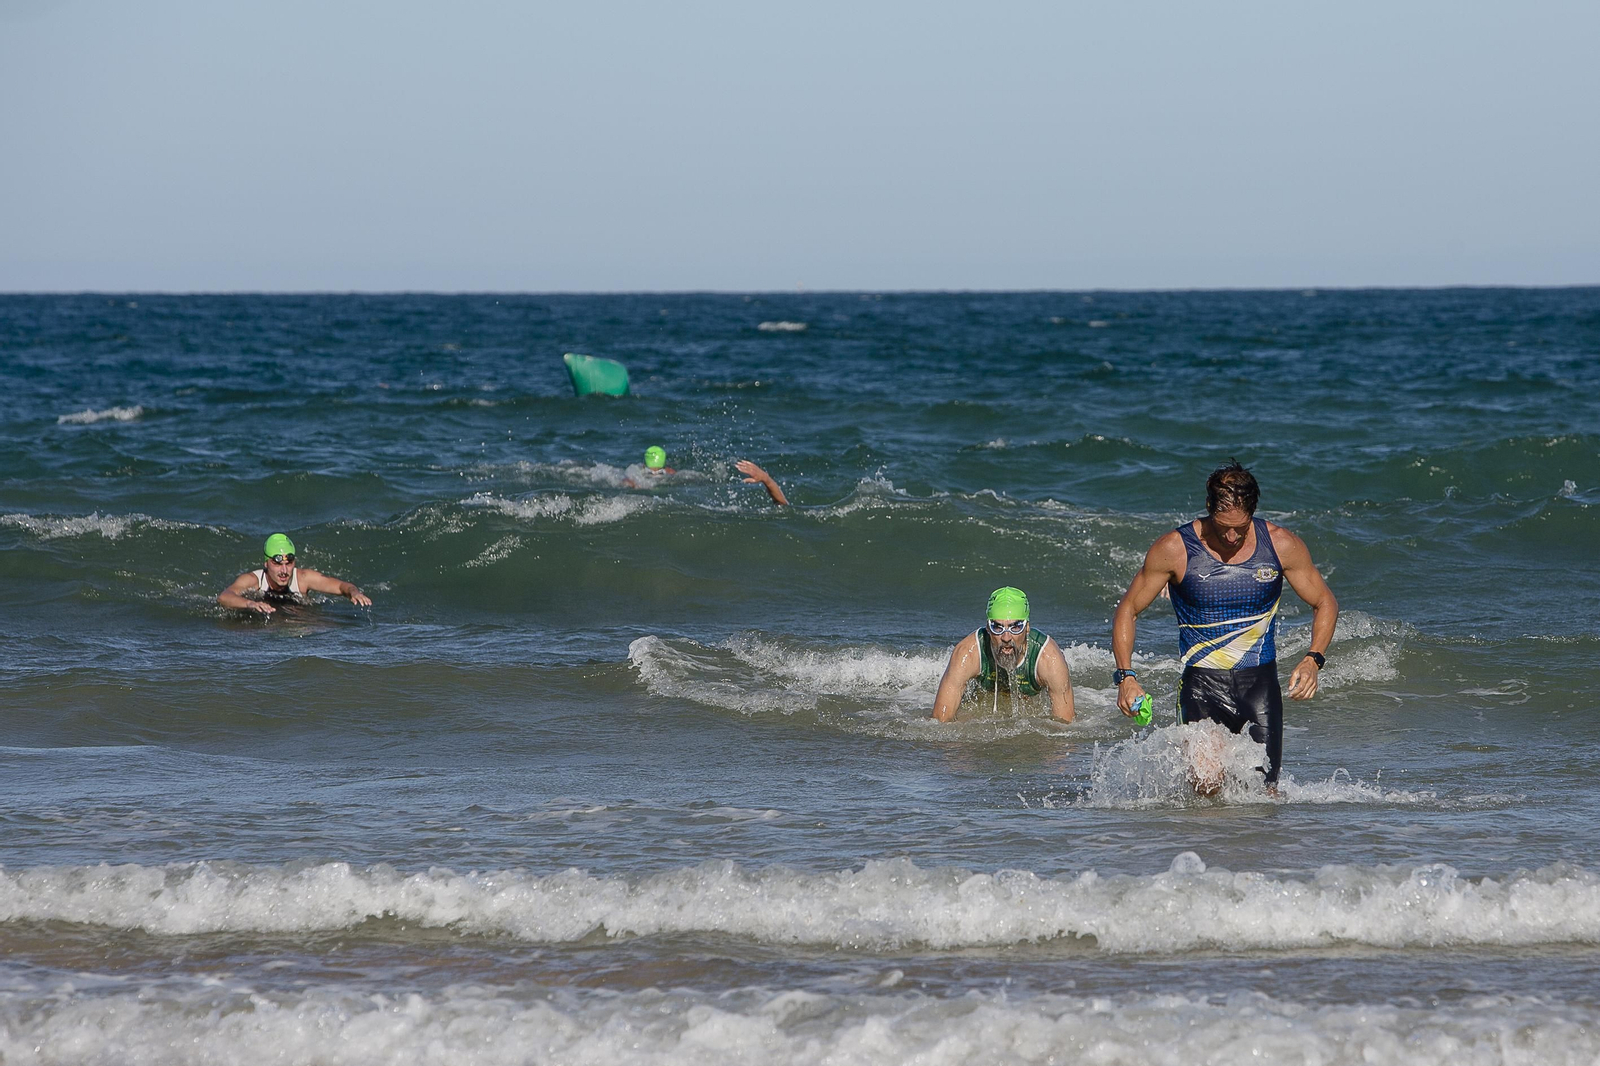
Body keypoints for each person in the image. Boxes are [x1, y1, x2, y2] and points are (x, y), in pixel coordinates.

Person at [1111, 460, 1338, 792]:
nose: (1231, 537)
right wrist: (1126, 677)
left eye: (1241, 527)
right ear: (1208, 508)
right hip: (1201, 686)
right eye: (1222, 526)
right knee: (1207, 788)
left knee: (1262, 795)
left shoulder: (1280, 545)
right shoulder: (1175, 549)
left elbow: (1324, 601)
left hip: (1259, 687)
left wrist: (1313, 659)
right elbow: (1128, 609)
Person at [932, 587, 1075, 723]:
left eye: (1016, 627)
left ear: (1027, 628)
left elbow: (1065, 727)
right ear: (988, 628)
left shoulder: (1048, 659)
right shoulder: (968, 653)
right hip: (985, 697)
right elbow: (940, 722)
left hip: (1030, 700)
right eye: (997, 627)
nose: (1006, 637)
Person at [218, 534, 373, 615]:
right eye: (277, 564)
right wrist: (250, 604)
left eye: (289, 563)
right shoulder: (253, 579)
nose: (284, 571)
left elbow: (341, 586)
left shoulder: (303, 578)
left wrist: (354, 592)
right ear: (266, 564)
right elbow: (224, 597)